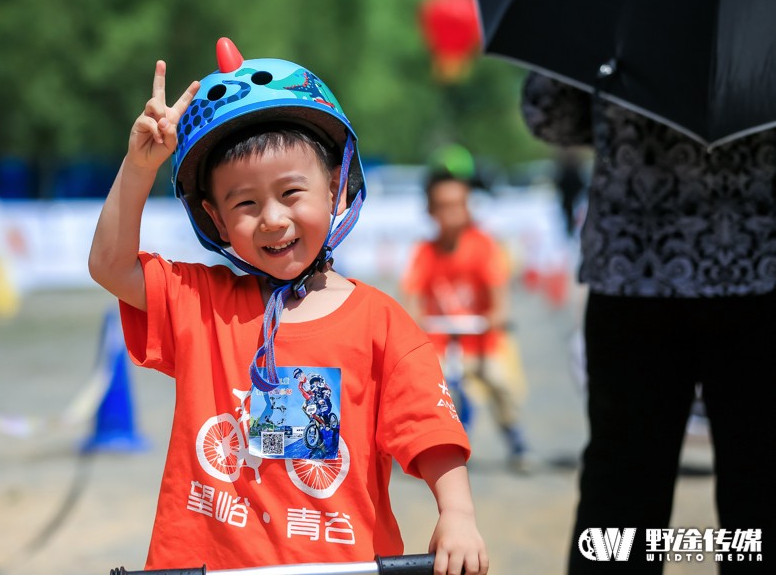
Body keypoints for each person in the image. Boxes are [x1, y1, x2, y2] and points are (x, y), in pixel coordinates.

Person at [88, 38, 488, 574]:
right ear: (215, 218)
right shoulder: (201, 304)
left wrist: (457, 512)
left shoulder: (381, 323)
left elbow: (429, 429)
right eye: (245, 203)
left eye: (292, 193)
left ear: (336, 190)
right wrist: (140, 167)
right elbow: (111, 268)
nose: (273, 219)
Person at [521, 71, 776, 574]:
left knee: (623, 492)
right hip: (756, 268)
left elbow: (549, 113)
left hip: (636, 270)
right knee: (762, 486)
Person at [400, 146, 532, 474]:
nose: (451, 215)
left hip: (481, 339)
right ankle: (431, 444)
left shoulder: (482, 245)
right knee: (431, 386)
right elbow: (412, 295)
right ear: (431, 211)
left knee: (501, 383)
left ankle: (515, 437)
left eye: (457, 206)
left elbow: (498, 292)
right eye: (443, 208)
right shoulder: (425, 251)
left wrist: (497, 316)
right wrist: (414, 320)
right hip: (442, 341)